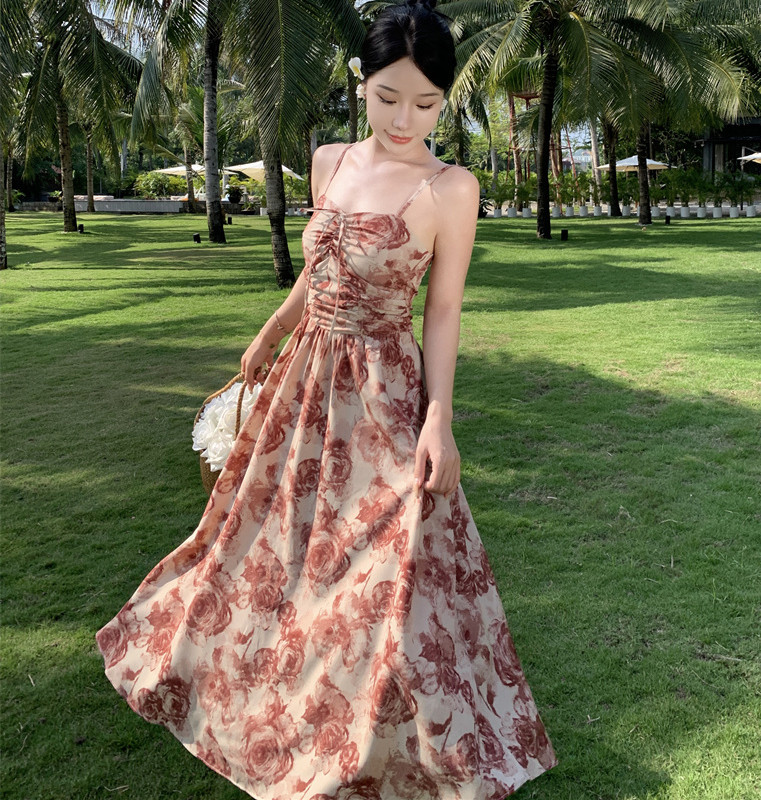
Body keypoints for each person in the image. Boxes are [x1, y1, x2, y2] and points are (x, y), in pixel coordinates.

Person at [95, 1, 557, 798]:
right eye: (388, 97)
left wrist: (439, 419)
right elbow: (320, 269)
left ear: (444, 100)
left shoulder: (451, 188)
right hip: (306, 379)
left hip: (385, 392)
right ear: (360, 83)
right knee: (273, 543)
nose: (405, 119)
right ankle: (276, 686)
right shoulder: (328, 161)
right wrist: (271, 329)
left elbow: (444, 309)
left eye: (426, 103)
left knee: (394, 559)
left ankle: (389, 734)